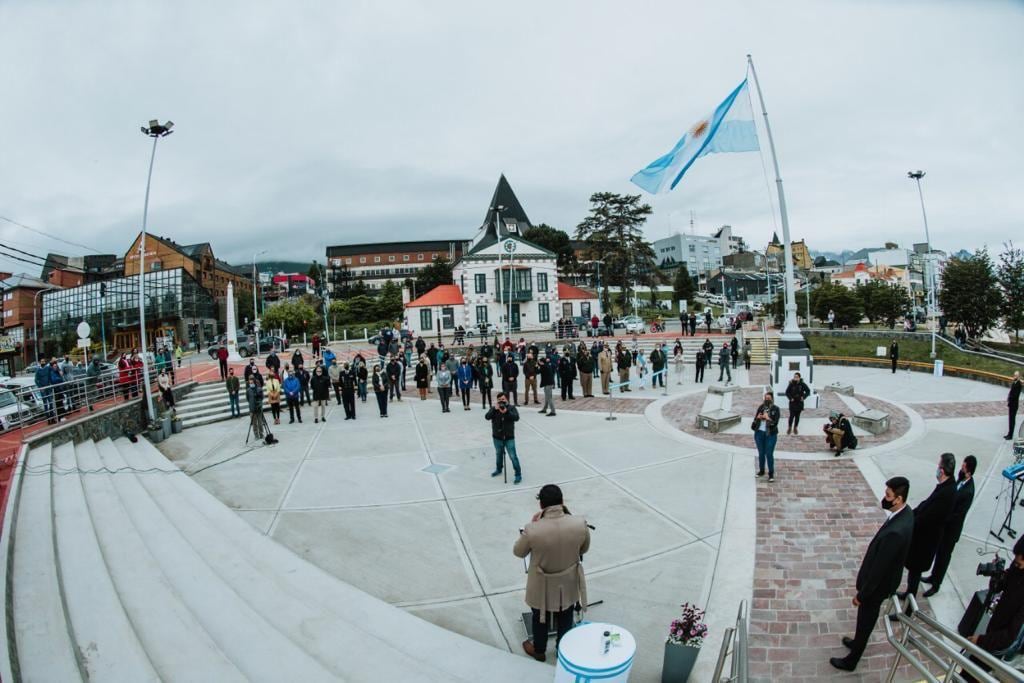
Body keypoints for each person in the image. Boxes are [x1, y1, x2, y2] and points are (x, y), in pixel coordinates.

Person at [829, 476, 914, 672]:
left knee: (866, 619)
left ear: (898, 499)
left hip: (876, 588)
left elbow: (878, 570)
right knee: (864, 620)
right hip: (884, 582)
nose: (884, 498)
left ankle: (852, 660)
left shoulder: (896, 532)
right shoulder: (906, 513)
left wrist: (862, 595)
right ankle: (858, 641)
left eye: (888, 495)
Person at [513, 484, 591, 662]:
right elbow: (584, 549)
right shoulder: (580, 523)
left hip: (542, 585)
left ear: (541, 505)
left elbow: (518, 552)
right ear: (562, 501)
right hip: (568, 581)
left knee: (539, 617)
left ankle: (539, 650)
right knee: (566, 614)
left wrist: (532, 526)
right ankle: (562, 649)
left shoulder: (532, 529)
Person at [893, 453, 956, 615]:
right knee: (913, 573)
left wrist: (911, 521)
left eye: (938, 466)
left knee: (914, 574)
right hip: (923, 539)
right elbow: (926, 504)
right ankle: (908, 594)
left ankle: (908, 610)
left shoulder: (947, 492)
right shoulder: (945, 486)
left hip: (925, 542)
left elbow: (929, 517)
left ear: (942, 470)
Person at [959, 536, 1024, 682]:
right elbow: (999, 587)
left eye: (1020, 563)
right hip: (992, 631)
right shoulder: (1017, 567)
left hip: (998, 643)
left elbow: (1010, 635)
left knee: (973, 674)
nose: (1016, 565)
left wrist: (981, 640)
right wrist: (997, 575)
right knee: (968, 668)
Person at [923, 455, 976, 596]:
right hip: (944, 528)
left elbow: (959, 513)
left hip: (951, 531)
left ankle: (936, 584)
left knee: (944, 557)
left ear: (969, 471)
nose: (961, 468)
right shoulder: (960, 480)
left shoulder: (969, 491)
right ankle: (932, 575)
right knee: (938, 553)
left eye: (964, 467)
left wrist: (944, 517)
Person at [487, 392, 522, 483]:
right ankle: (499, 469)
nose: (501, 401)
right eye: (499, 400)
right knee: (499, 454)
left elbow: (516, 418)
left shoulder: (511, 408)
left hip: (509, 437)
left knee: (513, 456)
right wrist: (494, 409)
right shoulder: (494, 408)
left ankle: (518, 474)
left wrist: (506, 412)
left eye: (503, 399)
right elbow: (487, 417)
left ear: (506, 399)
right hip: (497, 437)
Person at [752, 392, 780, 482]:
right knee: (761, 453)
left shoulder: (776, 409)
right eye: (765, 398)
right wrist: (758, 417)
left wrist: (768, 418)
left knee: (769, 454)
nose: (767, 400)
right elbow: (754, 421)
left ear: (772, 399)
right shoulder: (761, 407)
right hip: (759, 433)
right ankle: (761, 471)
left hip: (770, 434)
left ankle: (771, 473)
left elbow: (775, 423)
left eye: (768, 398)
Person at [1006, 370, 1022, 440]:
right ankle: (1009, 433)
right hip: (1011, 404)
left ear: (1018, 377)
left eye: (1016, 375)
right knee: (1010, 419)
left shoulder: (1019, 384)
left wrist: (1010, 397)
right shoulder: (1014, 383)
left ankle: (1010, 435)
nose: (1014, 376)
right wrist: (1008, 397)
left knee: (1012, 420)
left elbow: (1015, 395)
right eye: (1014, 375)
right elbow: (1011, 392)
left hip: (1014, 405)